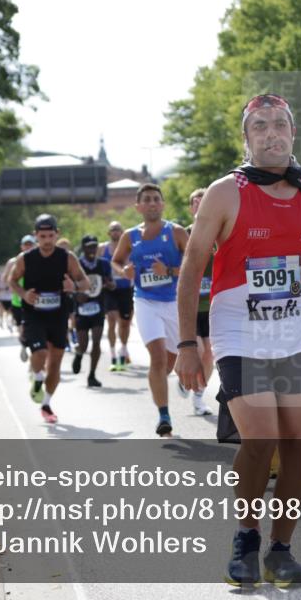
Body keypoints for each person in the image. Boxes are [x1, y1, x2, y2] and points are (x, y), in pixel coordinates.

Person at [176, 93, 301, 586]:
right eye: (260, 126)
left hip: (297, 327)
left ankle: (281, 550)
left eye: (280, 124)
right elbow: (192, 268)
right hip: (239, 329)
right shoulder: (224, 193)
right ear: (246, 137)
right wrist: (188, 345)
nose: (271, 133)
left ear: (293, 133)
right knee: (261, 439)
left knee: (298, 441)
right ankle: (246, 537)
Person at [110, 183, 210, 435]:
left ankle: (162, 382)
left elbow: (195, 265)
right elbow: (116, 261)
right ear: (138, 206)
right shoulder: (130, 236)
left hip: (174, 302)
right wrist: (124, 271)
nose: (152, 203)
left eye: (156, 199)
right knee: (157, 357)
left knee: (170, 361)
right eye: (147, 199)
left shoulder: (176, 232)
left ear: (162, 204)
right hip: (145, 301)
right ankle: (164, 416)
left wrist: (168, 271)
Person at [8, 214, 90, 424]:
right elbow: (12, 280)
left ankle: (46, 404)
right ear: (36, 235)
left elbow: (85, 282)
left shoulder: (67, 257)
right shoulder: (25, 258)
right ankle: (37, 376)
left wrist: (74, 286)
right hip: (33, 313)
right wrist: (24, 294)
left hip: (58, 315)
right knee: (40, 352)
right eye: (42, 236)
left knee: (55, 363)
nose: (46, 240)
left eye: (50, 236)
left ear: (57, 234)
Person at [72, 234, 114, 388]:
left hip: (98, 308)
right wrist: (76, 295)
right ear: (83, 248)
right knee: (83, 345)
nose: (92, 249)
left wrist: (110, 285)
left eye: (94, 246)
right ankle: (79, 354)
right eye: (89, 247)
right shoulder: (76, 265)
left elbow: (111, 284)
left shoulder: (104, 264)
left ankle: (92, 375)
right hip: (81, 309)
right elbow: (69, 286)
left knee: (96, 341)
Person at [186, 188, 216, 389]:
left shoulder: (219, 231)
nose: (200, 205)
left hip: (211, 305)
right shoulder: (184, 233)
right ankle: (188, 380)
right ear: (191, 208)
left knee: (209, 353)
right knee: (197, 350)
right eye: (196, 202)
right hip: (192, 306)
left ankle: (199, 393)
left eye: (203, 201)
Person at [101, 221, 134, 370]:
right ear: (108, 233)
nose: (115, 232)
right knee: (112, 319)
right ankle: (113, 354)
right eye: (113, 229)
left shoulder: (130, 248)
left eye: (118, 229)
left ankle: (123, 349)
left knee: (124, 323)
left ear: (122, 232)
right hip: (110, 290)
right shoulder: (102, 248)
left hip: (126, 289)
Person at [5, 235, 37, 362]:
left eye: (30, 244)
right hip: (18, 301)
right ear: (21, 246)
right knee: (22, 329)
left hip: (34, 300)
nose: (28, 247)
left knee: (35, 328)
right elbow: (7, 279)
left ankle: (35, 353)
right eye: (26, 244)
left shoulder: (39, 259)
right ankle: (24, 345)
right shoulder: (13, 262)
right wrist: (13, 281)